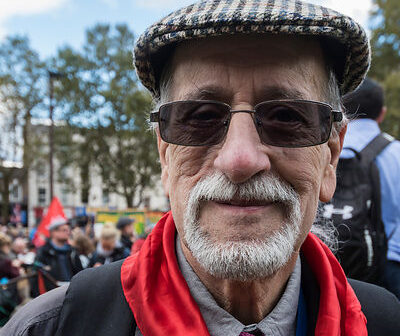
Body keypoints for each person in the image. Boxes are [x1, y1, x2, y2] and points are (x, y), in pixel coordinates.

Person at [2, 1, 400, 335]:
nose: (240, 160)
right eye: (200, 117)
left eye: (286, 117)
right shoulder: (55, 327)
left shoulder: (384, 322)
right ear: (164, 153)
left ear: (331, 155)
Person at [341, 78, 400, 298]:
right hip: (391, 265)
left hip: (333, 260)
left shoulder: (326, 150)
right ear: (382, 113)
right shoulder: (396, 152)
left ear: (343, 109)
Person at [34, 218, 82, 291]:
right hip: (51, 294)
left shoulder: (72, 252)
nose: (68, 232)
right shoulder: (43, 252)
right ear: (53, 232)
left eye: (68, 230)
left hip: (71, 291)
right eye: (64, 230)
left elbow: (79, 273)